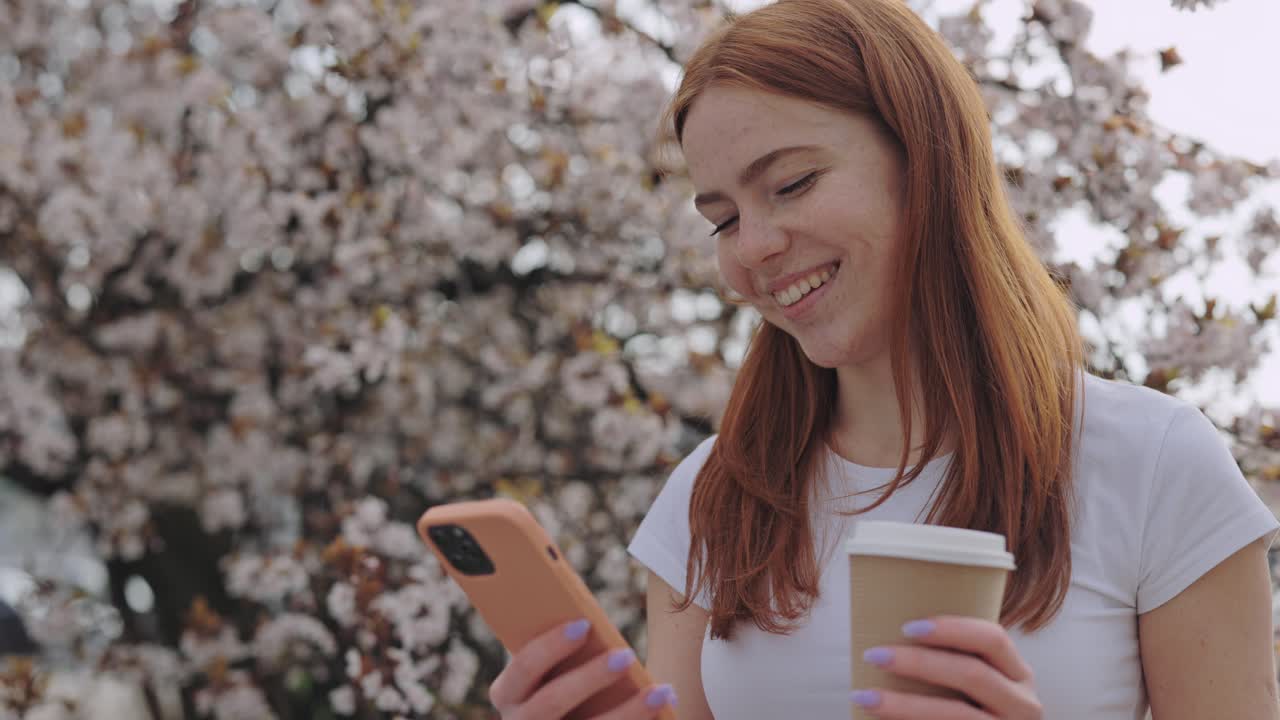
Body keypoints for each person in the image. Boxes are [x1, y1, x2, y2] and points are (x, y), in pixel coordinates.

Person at [486, 0, 1280, 717]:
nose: (754, 247)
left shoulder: (1153, 465)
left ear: (926, 162)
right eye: (722, 220)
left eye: (791, 184)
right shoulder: (708, 499)